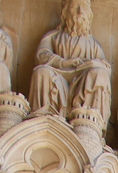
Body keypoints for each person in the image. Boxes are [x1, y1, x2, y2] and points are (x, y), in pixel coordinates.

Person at [29, 0, 111, 131]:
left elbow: (106, 68)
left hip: (82, 80)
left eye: (83, 8)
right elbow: (41, 55)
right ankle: (43, 118)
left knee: (99, 74)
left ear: (89, 16)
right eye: (75, 7)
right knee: (41, 71)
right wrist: (63, 62)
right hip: (58, 75)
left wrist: (93, 63)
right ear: (65, 13)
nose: (79, 12)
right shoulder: (54, 36)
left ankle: (89, 122)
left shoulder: (93, 44)